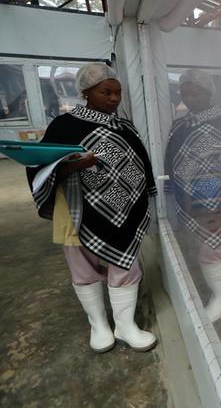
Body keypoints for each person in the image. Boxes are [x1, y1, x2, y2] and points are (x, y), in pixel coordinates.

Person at [26, 63, 157, 353]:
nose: (114, 98)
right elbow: (40, 167)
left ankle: (125, 327)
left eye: (118, 92)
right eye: (105, 92)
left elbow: (140, 163)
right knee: (83, 266)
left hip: (126, 210)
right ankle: (98, 325)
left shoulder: (125, 126)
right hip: (77, 211)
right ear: (86, 92)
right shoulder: (64, 126)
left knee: (126, 262)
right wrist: (74, 165)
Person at [165, 69, 221, 322]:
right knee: (210, 241)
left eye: (196, 92)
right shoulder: (178, 124)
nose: (190, 97)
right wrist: (173, 189)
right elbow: (172, 160)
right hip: (194, 196)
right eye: (185, 92)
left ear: (209, 93)